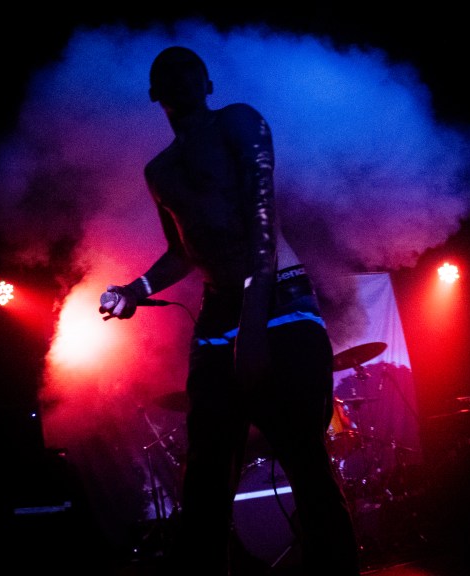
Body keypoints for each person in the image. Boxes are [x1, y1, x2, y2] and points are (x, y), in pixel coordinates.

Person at [99, 46, 360, 575]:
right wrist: (133, 290)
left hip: (280, 304)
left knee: (306, 463)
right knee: (205, 477)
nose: (180, 76)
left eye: (189, 68)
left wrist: (255, 324)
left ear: (208, 81)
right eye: (167, 73)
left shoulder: (241, 123)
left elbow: (260, 217)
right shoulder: (160, 171)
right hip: (221, 318)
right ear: (155, 93)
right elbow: (183, 249)